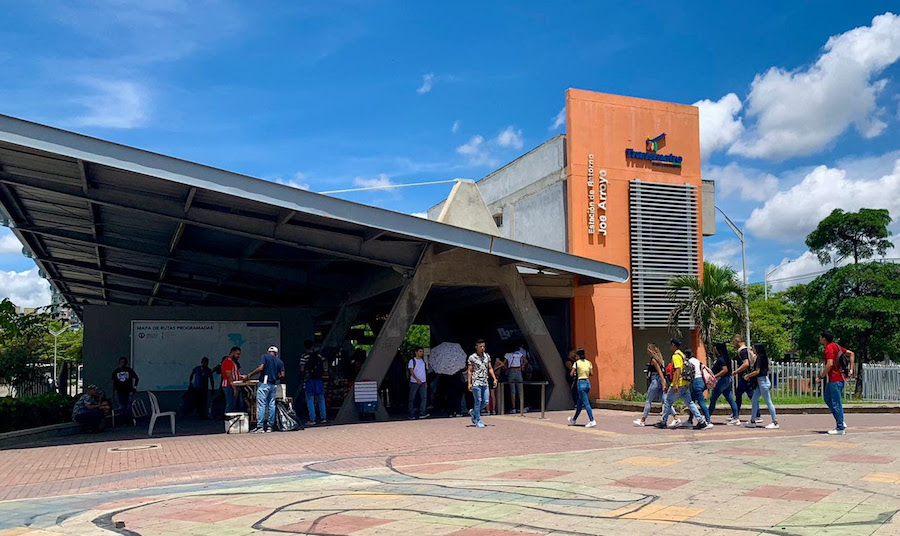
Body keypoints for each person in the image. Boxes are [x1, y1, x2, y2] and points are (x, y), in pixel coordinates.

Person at [653, 339, 707, 430]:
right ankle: (701, 421)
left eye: (671, 345)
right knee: (690, 403)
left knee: (667, 401)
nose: (670, 347)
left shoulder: (676, 356)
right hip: (685, 383)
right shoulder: (682, 354)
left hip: (679, 383)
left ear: (674, 345)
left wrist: (675, 384)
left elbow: (678, 369)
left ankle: (663, 421)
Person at [818, 331, 855, 435]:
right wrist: (851, 369)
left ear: (824, 338)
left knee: (835, 402)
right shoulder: (836, 346)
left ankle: (840, 427)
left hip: (835, 379)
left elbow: (829, 364)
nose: (820, 339)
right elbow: (851, 353)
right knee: (827, 398)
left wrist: (821, 376)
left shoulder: (829, 348)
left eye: (821, 337)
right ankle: (840, 420)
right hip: (837, 379)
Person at [245, 346, 285, 433]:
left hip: (264, 383)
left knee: (261, 404)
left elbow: (261, 368)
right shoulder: (280, 362)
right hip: (273, 384)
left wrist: (249, 375)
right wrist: (274, 377)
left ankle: (260, 426)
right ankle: (270, 426)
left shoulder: (265, 357)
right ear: (276, 354)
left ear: (268, 352)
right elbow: (282, 375)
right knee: (271, 405)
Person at [743, 344, 779, 429]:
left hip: (762, 382)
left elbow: (757, 371)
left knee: (768, 401)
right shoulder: (764, 358)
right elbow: (768, 368)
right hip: (762, 381)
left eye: (754, 348)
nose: (753, 350)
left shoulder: (759, 358)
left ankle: (775, 422)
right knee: (754, 399)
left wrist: (748, 375)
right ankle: (752, 420)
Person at [467, 339, 498, 428]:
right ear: (476, 347)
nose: (482, 348)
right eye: (480, 346)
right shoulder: (472, 357)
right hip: (476, 381)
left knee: (486, 401)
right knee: (478, 401)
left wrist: (494, 378)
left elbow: (490, 368)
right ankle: (478, 420)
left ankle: (474, 412)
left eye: (483, 346)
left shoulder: (487, 356)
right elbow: (469, 371)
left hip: (485, 381)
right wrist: (469, 383)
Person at [634, 343, 667, 426]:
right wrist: (663, 381)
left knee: (649, 400)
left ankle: (643, 420)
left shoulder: (653, 360)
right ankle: (676, 417)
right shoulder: (660, 360)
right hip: (659, 380)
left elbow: (659, 371)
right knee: (665, 400)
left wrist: (663, 382)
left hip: (655, 380)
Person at [707, 343, 740, 425]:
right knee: (730, 398)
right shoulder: (726, 358)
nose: (714, 350)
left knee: (713, 398)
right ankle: (736, 417)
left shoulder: (721, 359)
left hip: (723, 380)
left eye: (715, 348)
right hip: (728, 379)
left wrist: (715, 376)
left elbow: (724, 370)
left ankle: (707, 416)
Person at [730, 335, 760, 422]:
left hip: (745, 376)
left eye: (734, 342)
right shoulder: (747, 349)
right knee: (738, 393)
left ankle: (757, 415)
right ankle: (735, 413)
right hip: (746, 376)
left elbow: (746, 364)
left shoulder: (742, 351)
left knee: (751, 395)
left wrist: (736, 372)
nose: (734, 344)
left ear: (737, 341)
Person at [567, 348, 597, 428]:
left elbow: (571, 373)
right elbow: (591, 373)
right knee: (579, 403)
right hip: (587, 383)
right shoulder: (588, 362)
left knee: (586, 403)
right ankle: (574, 419)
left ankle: (592, 420)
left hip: (581, 383)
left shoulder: (577, 363)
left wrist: (577, 372)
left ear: (578, 355)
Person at [300, 340, 327, 425]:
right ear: (312, 346)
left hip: (309, 380)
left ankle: (312, 419)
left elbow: (302, 369)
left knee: (310, 399)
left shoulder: (304, 356)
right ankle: (323, 417)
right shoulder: (318, 355)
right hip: (318, 380)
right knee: (321, 399)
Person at [685, 350, 714, 429]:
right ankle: (690, 420)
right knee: (692, 402)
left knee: (700, 402)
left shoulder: (689, 362)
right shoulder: (697, 361)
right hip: (701, 381)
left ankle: (708, 421)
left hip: (695, 382)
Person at [110, 357, 139, 424]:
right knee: (121, 406)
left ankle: (129, 420)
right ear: (119, 362)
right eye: (121, 362)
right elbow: (113, 383)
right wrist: (113, 392)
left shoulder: (129, 370)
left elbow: (137, 378)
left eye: (124, 362)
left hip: (128, 391)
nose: (123, 363)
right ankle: (122, 421)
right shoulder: (116, 371)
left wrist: (134, 388)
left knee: (128, 406)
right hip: (119, 391)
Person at [408, 346, 429, 419]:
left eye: (422, 351)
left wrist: (425, 381)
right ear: (416, 352)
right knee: (412, 398)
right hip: (414, 382)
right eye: (420, 351)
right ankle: (411, 413)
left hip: (423, 381)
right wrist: (417, 379)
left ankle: (422, 412)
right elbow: (411, 372)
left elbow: (424, 371)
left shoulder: (423, 361)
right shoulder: (412, 361)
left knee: (424, 397)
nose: (421, 353)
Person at [505, 343, 527, 414]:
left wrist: (507, 368)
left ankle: (513, 407)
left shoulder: (507, 354)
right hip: (518, 371)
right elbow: (526, 361)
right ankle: (521, 407)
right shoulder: (519, 354)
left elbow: (504, 363)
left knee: (512, 391)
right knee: (520, 390)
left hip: (511, 371)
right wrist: (522, 366)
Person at [221, 346, 243, 414]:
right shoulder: (228, 361)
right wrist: (234, 388)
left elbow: (235, 374)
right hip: (229, 386)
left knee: (235, 405)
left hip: (235, 385)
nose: (238, 356)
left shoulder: (233, 362)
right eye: (237, 354)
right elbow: (229, 375)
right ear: (233, 352)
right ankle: (228, 418)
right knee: (230, 405)